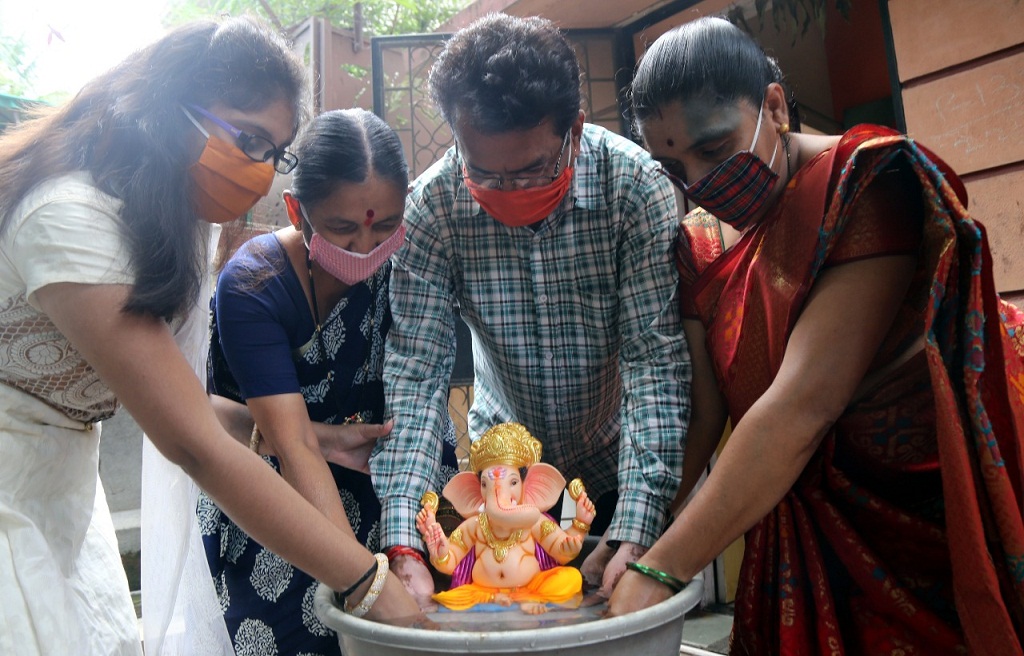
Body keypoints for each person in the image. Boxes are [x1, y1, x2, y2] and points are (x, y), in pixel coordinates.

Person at [0, 18, 419, 656]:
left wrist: (318, 436)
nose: (259, 170)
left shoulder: (170, 213)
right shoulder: (69, 219)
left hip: (61, 489)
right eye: (247, 139)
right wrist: (365, 581)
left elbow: (183, 396)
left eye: (274, 153)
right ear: (171, 109)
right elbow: (192, 444)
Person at [607, 16, 1024, 655]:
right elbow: (702, 418)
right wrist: (633, 536)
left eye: (715, 152)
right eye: (672, 165)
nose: (698, 182)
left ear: (773, 104)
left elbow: (803, 404)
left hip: (919, 514)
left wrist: (665, 568)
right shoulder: (696, 244)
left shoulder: (865, 184)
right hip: (791, 520)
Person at [374, 12, 691, 604]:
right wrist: (404, 545)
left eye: (530, 171)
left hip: (622, 462)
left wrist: (638, 529)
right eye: (485, 173)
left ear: (573, 131)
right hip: (504, 484)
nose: (510, 193)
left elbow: (654, 364)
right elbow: (416, 374)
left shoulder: (633, 188)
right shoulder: (433, 208)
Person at [201, 108, 458, 654]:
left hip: (393, 471)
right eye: (343, 228)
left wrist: (399, 546)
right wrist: (363, 583)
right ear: (298, 210)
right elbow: (293, 447)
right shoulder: (254, 286)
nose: (367, 247)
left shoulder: (411, 261)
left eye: (385, 224)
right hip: (281, 485)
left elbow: (419, 386)